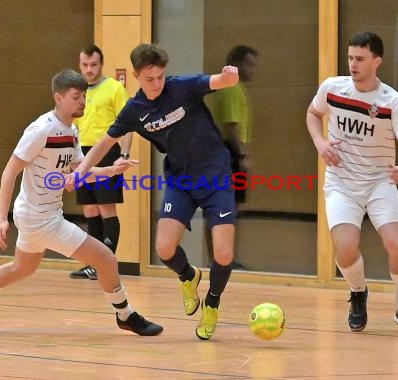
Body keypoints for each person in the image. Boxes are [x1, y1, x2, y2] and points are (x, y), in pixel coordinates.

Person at [0, 69, 162, 336]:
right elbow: (10, 171)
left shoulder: (71, 130)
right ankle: (125, 315)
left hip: (39, 215)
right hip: (40, 218)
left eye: (84, 96)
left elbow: (79, 172)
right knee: (105, 258)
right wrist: (2, 218)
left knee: (22, 268)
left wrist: (110, 171)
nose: (82, 101)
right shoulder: (41, 130)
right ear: (58, 97)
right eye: (76, 96)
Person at [67, 43, 239, 340]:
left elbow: (221, 81)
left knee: (223, 252)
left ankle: (212, 303)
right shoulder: (135, 110)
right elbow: (105, 144)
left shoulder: (183, 87)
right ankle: (189, 276)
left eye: (160, 76)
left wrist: (230, 75)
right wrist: (80, 172)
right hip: (180, 181)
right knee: (164, 249)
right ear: (136, 76)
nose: (157, 83)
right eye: (150, 79)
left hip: (216, 175)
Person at [306, 32, 398, 334]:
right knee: (345, 247)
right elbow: (312, 113)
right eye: (350, 58)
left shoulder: (391, 101)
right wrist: (320, 143)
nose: (353, 64)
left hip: (379, 182)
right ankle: (358, 293)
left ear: (377, 61)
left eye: (360, 59)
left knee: (397, 244)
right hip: (341, 182)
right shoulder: (332, 88)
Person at [70, 45, 132, 281]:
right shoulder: (77, 92)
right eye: (85, 65)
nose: (89, 69)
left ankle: (106, 263)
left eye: (93, 64)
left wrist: (123, 155)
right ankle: (92, 263)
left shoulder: (114, 88)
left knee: (107, 209)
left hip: (107, 150)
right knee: (90, 209)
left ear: (101, 64)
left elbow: (127, 125)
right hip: (81, 153)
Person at [208, 45, 258, 270]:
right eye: (250, 64)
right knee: (227, 207)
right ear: (237, 64)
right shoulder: (231, 89)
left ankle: (226, 258)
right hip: (228, 152)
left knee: (233, 207)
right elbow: (231, 126)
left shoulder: (235, 89)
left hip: (229, 151)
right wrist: (242, 155)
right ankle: (222, 259)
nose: (253, 69)